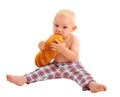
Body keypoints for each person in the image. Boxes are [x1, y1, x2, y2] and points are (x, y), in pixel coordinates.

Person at [6, 9, 106, 93]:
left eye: (64, 27)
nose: (59, 29)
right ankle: (23, 79)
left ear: (73, 28)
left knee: (82, 74)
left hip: (72, 65)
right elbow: (48, 55)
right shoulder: (53, 37)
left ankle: (92, 85)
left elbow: (75, 57)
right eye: (56, 25)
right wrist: (42, 48)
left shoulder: (73, 39)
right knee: (41, 71)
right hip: (56, 65)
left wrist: (63, 49)